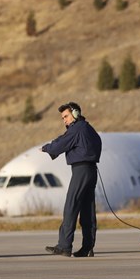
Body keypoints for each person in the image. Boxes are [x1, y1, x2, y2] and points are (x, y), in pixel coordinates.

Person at [42, 101, 102, 258]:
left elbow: (61, 143)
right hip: (91, 170)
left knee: (71, 206)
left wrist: (47, 148)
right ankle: (88, 247)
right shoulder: (88, 128)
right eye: (63, 118)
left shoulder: (77, 129)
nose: (65, 120)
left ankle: (64, 246)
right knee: (87, 210)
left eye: (66, 116)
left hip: (81, 170)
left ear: (75, 114)